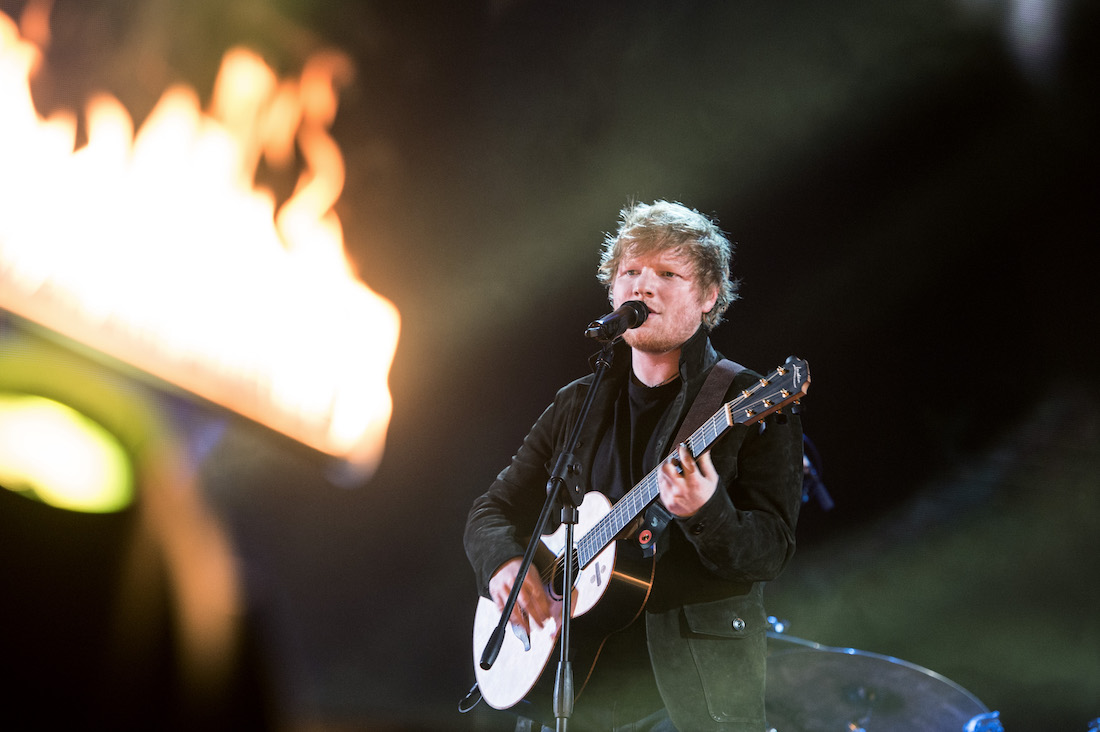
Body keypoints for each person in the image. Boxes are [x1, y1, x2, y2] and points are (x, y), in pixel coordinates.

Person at [464, 200, 804, 731]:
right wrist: (503, 564)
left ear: (709, 296)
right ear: (612, 292)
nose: (643, 287)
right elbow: (491, 510)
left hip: (690, 702)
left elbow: (771, 552)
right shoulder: (577, 403)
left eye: (668, 273)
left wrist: (706, 513)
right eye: (630, 272)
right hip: (571, 690)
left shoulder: (744, 399)